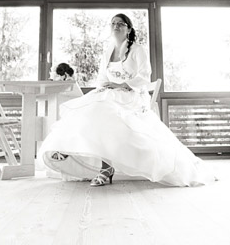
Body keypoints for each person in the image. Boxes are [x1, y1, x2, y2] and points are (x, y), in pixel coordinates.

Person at [39, 13, 217, 187]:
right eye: (113, 23)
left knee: (103, 111)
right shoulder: (108, 51)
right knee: (90, 108)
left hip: (131, 94)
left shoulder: (137, 49)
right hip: (110, 93)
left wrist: (123, 85)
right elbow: (102, 76)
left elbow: (145, 75)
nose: (116, 26)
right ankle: (67, 147)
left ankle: (105, 168)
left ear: (129, 29)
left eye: (120, 24)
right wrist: (103, 87)